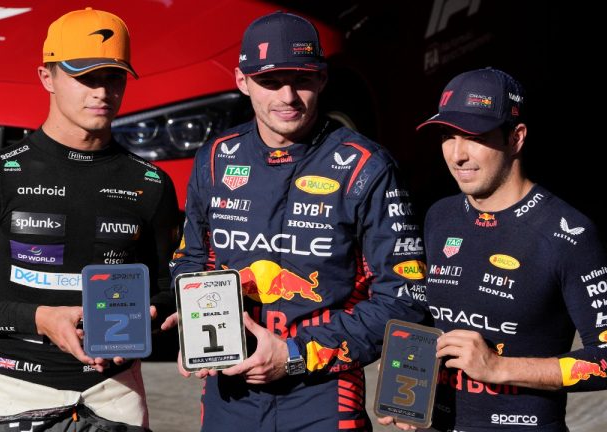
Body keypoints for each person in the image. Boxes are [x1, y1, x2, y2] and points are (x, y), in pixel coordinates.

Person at [165, 11, 427, 431]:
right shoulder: (215, 158)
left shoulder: (366, 167)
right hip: (230, 390)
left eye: (301, 79)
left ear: (323, 78)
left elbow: (405, 299)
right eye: (270, 81)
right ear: (242, 81)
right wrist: (196, 321)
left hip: (323, 393)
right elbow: (191, 258)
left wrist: (293, 354)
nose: (288, 96)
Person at [0, 8, 179, 432]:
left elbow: (172, 289)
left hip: (115, 394)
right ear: (47, 77)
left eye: (114, 77)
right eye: (86, 77)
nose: (102, 92)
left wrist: (148, 315)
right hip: (12, 391)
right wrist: (40, 319)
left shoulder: (150, 183)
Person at [379, 68, 607, 431]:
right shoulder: (439, 216)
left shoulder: (569, 233)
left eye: (474, 137)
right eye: (448, 136)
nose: (457, 155)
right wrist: (410, 385)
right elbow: (428, 323)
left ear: (516, 138)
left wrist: (498, 367)